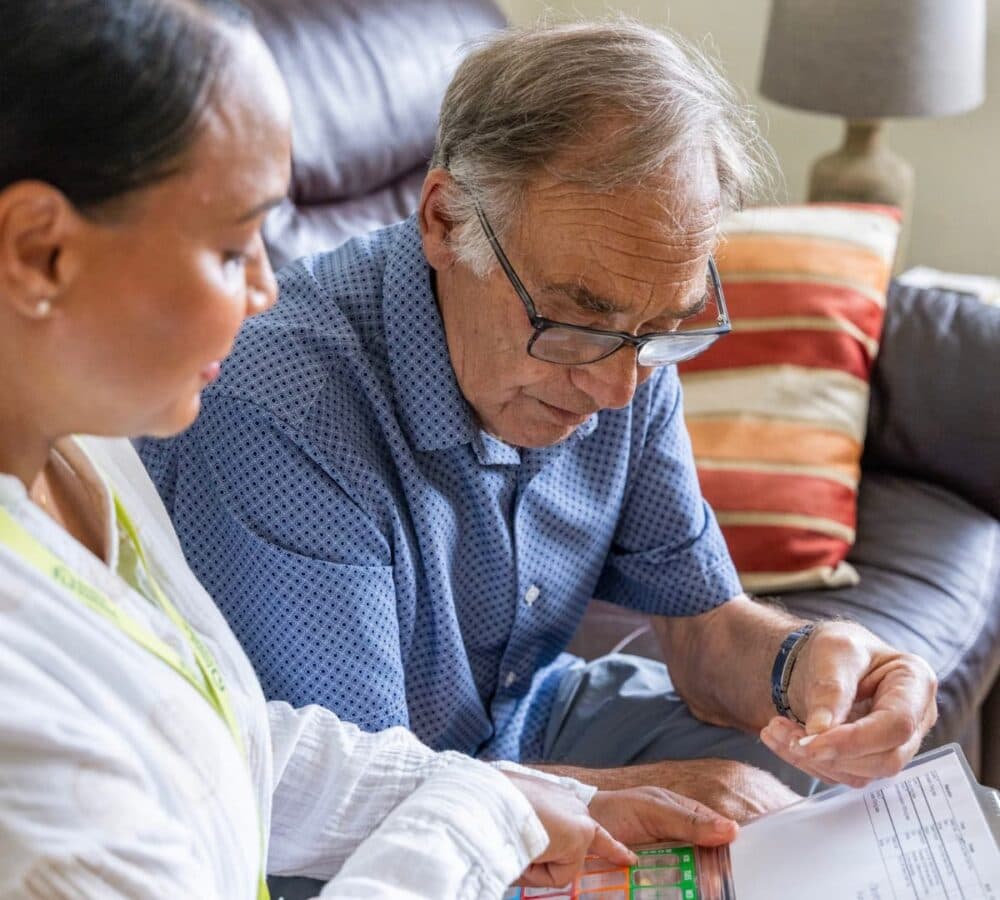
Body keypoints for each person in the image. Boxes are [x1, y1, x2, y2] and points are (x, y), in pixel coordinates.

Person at [0, 4, 749, 897]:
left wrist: (507, 793)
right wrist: (488, 815)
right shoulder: (26, 720)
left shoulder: (85, 452)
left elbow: (232, 738)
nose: (266, 289)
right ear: (38, 252)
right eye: (235, 246)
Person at [140, 22, 938, 824]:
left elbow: (703, 634)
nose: (618, 390)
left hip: (525, 721)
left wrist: (814, 669)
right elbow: (343, 805)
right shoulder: (282, 409)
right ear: (445, 221)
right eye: (576, 317)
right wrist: (617, 800)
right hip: (356, 816)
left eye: (663, 326)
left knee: (837, 784)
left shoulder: (626, 343)